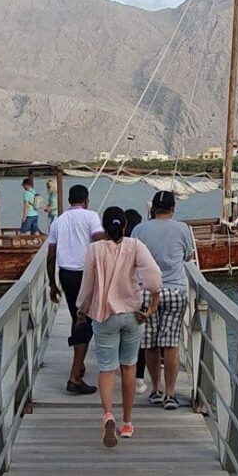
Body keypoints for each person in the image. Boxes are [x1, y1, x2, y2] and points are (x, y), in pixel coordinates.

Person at [76, 206, 161, 447]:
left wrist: (82, 311)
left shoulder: (94, 249)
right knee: (128, 367)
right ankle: (126, 423)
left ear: (103, 227)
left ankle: (108, 415)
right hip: (133, 315)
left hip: (105, 315)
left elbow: (88, 286)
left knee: (106, 368)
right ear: (124, 226)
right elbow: (153, 275)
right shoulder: (135, 245)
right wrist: (152, 305)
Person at [133, 190, 196, 410]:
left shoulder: (139, 230)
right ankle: (170, 394)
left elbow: (132, 260)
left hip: (147, 292)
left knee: (149, 344)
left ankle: (155, 390)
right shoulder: (182, 229)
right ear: (172, 209)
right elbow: (188, 256)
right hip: (175, 291)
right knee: (170, 344)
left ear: (152, 209)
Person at [47, 185, 103, 394]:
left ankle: (79, 363)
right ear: (86, 200)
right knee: (84, 320)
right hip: (85, 273)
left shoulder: (58, 221)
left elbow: (51, 255)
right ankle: (74, 378)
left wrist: (52, 283)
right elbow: (100, 240)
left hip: (65, 274)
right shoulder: (90, 216)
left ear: (70, 200)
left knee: (75, 316)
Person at [124, 208, 147, 394]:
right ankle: (138, 379)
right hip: (137, 296)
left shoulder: (109, 246)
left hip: (115, 302)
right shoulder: (139, 246)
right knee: (138, 338)